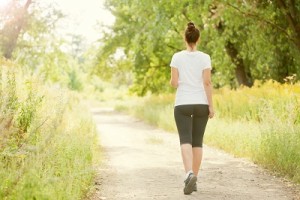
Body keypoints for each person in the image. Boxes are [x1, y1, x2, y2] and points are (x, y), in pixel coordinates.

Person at [169, 22, 214, 195]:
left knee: (185, 140)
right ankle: (194, 178)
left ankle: (189, 174)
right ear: (198, 39)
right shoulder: (205, 57)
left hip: (182, 104)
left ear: (185, 38)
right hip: (201, 102)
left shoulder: (177, 57)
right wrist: (211, 105)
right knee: (197, 141)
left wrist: (177, 80)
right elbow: (207, 82)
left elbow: (174, 83)